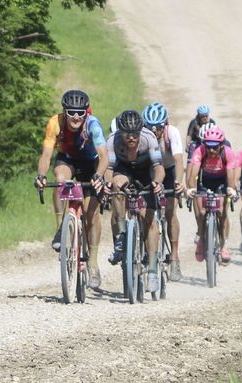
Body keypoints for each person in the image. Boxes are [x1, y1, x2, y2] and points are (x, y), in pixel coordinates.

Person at [35, 89, 107, 289]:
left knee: (91, 214)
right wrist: (41, 176)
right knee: (60, 180)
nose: (76, 117)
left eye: (80, 113)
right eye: (71, 112)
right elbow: (46, 155)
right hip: (67, 160)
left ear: (86, 112)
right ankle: (60, 228)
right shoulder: (54, 123)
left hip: (90, 163)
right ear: (64, 111)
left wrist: (99, 176)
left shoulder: (93, 124)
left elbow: (104, 156)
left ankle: (93, 262)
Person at [103, 109, 166, 294]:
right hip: (125, 170)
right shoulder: (113, 141)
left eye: (135, 134)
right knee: (117, 185)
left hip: (146, 171)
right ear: (120, 132)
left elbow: (159, 167)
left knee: (149, 219)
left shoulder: (149, 139)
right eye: (127, 134)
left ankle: (153, 270)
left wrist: (157, 183)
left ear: (141, 130)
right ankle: (122, 235)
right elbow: (109, 168)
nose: (131, 138)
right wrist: (108, 183)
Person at [142, 102, 186, 282]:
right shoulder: (142, 135)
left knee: (170, 212)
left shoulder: (172, 133)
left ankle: (174, 257)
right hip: (149, 170)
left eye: (158, 128)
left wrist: (179, 182)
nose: (154, 131)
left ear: (165, 125)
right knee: (146, 212)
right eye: (150, 127)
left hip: (168, 170)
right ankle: (147, 250)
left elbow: (178, 160)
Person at [185, 125, 240, 264]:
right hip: (205, 181)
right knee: (201, 212)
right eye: (208, 146)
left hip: (222, 181)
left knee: (222, 212)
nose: (211, 150)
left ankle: (223, 245)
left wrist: (231, 189)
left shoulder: (228, 152)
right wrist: (191, 188)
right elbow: (193, 173)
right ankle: (202, 239)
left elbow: (231, 175)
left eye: (215, 147)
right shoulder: (200, 151)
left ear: (221, 146)